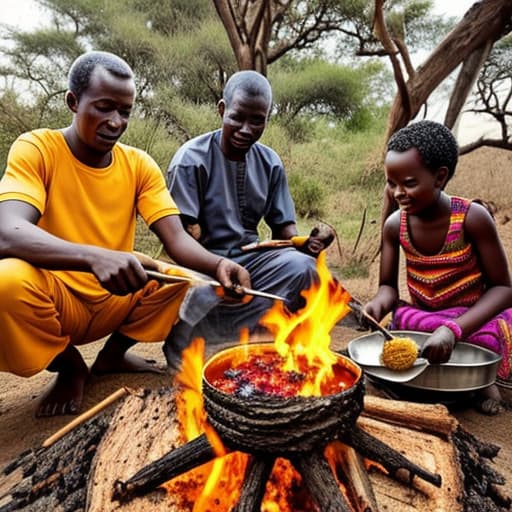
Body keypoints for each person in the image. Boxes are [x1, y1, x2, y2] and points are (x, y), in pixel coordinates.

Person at [0, 51, 250, 417]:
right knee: (6, 283)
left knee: (178, 280)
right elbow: (8, 231)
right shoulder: (37, 148)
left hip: (114, 294)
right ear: (73, 101)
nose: (115, 122)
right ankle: (70, 367)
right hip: (53, 301)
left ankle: (111, 357)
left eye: (125, 111)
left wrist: (219, 265)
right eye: (103, 107)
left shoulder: (138, 165)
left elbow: (177, 240)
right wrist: (93, 256)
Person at [163, 70, 329, 369]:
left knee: (304, 268)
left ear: (267, 118)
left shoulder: (270, 162)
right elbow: (178, 239)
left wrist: (308, 244)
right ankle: (186, 345)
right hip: (199, 262)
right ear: (222, 109)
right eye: (237, 117)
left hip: (250, 262)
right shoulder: (191, 159)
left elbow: (284, 231)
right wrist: (216, 265)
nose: (246, 129)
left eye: (257, 120)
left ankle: (274, 349)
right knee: (201, 289)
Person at [364, 120, 512, 414]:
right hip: (425, 316)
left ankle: (482, 382)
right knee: (403, 325)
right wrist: (377, 305)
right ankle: (436, 376)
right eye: (391, 183)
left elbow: (504, 289)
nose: (397, 193)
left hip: (469, 316)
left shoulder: (472, 218)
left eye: (409, 183)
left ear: (440, 177)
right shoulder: (395, 226)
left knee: (491, 332)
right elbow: (388, 288)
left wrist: (454, 329)